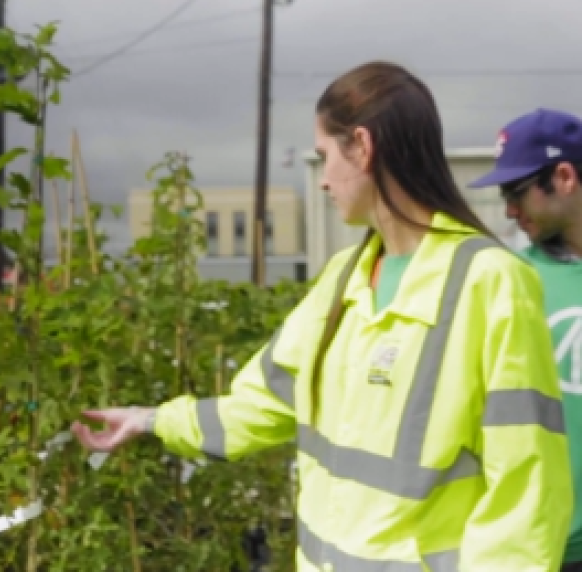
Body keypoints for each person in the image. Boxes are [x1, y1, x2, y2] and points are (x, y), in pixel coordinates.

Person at [72, 62, 573, 571]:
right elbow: (262, 404)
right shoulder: (342, 280)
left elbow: (526, 488)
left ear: (362, 145)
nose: (323, 180)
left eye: (324, 156)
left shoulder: (490, 281)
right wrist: (150, 420)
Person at [469, 107, 582, 571]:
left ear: (564, 176)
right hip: (541, 552)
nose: (510, 212)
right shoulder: (512, 280)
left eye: (517, 193)